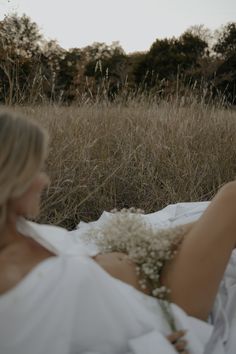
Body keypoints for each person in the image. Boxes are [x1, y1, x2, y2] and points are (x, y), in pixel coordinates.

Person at [0, 110, 235, 354]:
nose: (43, 181)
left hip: (148, 268)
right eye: (33, 172)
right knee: (232, 198)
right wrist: (152, 349)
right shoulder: (9, 286)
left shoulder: (18, 228)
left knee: (210, 216)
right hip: (165, 306)